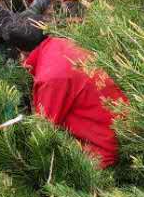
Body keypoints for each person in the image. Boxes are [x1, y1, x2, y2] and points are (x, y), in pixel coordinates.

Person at [23, 36, 126, 168]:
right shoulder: (64, 43)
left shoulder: (50, 78)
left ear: (22, 52)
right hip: (124, 124)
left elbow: (43, 130)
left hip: (103, 150)